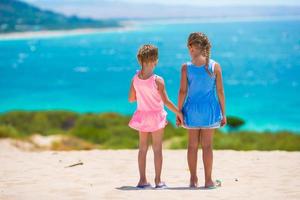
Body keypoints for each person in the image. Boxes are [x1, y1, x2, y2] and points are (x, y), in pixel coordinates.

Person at [128, 44, 183, 189]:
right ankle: (158, 181)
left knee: (142, 149)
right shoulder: (157, 80)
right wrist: (179, 112)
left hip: (142, 115)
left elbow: (131, 98)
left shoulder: (135, 78)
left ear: (140, 60)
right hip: (156, 117)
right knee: (157, 149)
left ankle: (142, 180)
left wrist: (142, 94)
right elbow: (166, 101)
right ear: (155, 60)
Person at [177, 32, 226, 189]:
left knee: (192, 146)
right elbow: (220, 92)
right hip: (209, 112)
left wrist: (179, 112)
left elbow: (182, 91)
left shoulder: (186, 67)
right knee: (207, 147)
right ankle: (209, 181)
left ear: (191, 47)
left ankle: (193, 180)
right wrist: (224, 114)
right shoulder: (215, 66)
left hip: (191, 111)